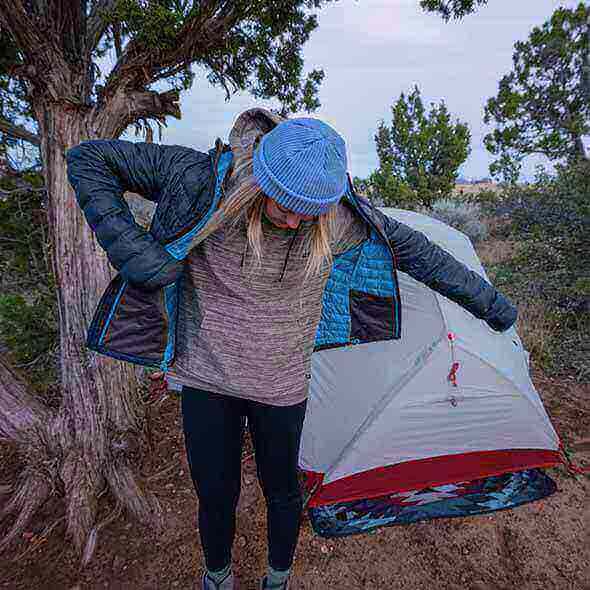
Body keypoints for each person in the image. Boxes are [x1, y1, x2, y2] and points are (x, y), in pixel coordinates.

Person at [66, 108, 517, 590]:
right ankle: (216, 575)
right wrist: (133, 250)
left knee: (282, 492)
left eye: (310, 210)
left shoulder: (341, 219)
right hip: (205, 379)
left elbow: (425, 257)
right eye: (284, 203)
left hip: (281, 387)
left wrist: (493, 307)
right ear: (261, 175)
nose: (295, 218)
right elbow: (88, 159)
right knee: (215, 493)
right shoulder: (199, 181)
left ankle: (277, 578)